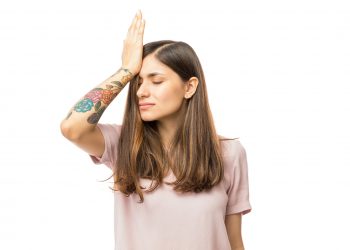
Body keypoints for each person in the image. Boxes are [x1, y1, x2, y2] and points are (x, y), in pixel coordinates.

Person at [60, 9, 252, 250]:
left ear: (190, 87)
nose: (141, 91)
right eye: (138, 83)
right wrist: (126, 70)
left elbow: (234, 241)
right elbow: (72, 127)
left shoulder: (230, 153)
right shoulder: (122, 144)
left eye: (156, 81)